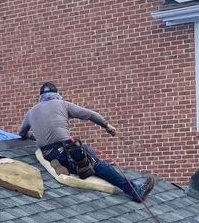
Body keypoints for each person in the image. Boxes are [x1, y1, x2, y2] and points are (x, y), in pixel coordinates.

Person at [19, 82, 155, 202]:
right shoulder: (63, 104)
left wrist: (35, 137)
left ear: (41, 97)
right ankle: (135, 191)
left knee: (80, 150)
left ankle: (71, 164)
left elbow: (22, 133)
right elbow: (90, 115)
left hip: (48, 153)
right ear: (57, 94)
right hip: (65, 149)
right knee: (98, 165)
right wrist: (107, 126)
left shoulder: (31, 112)